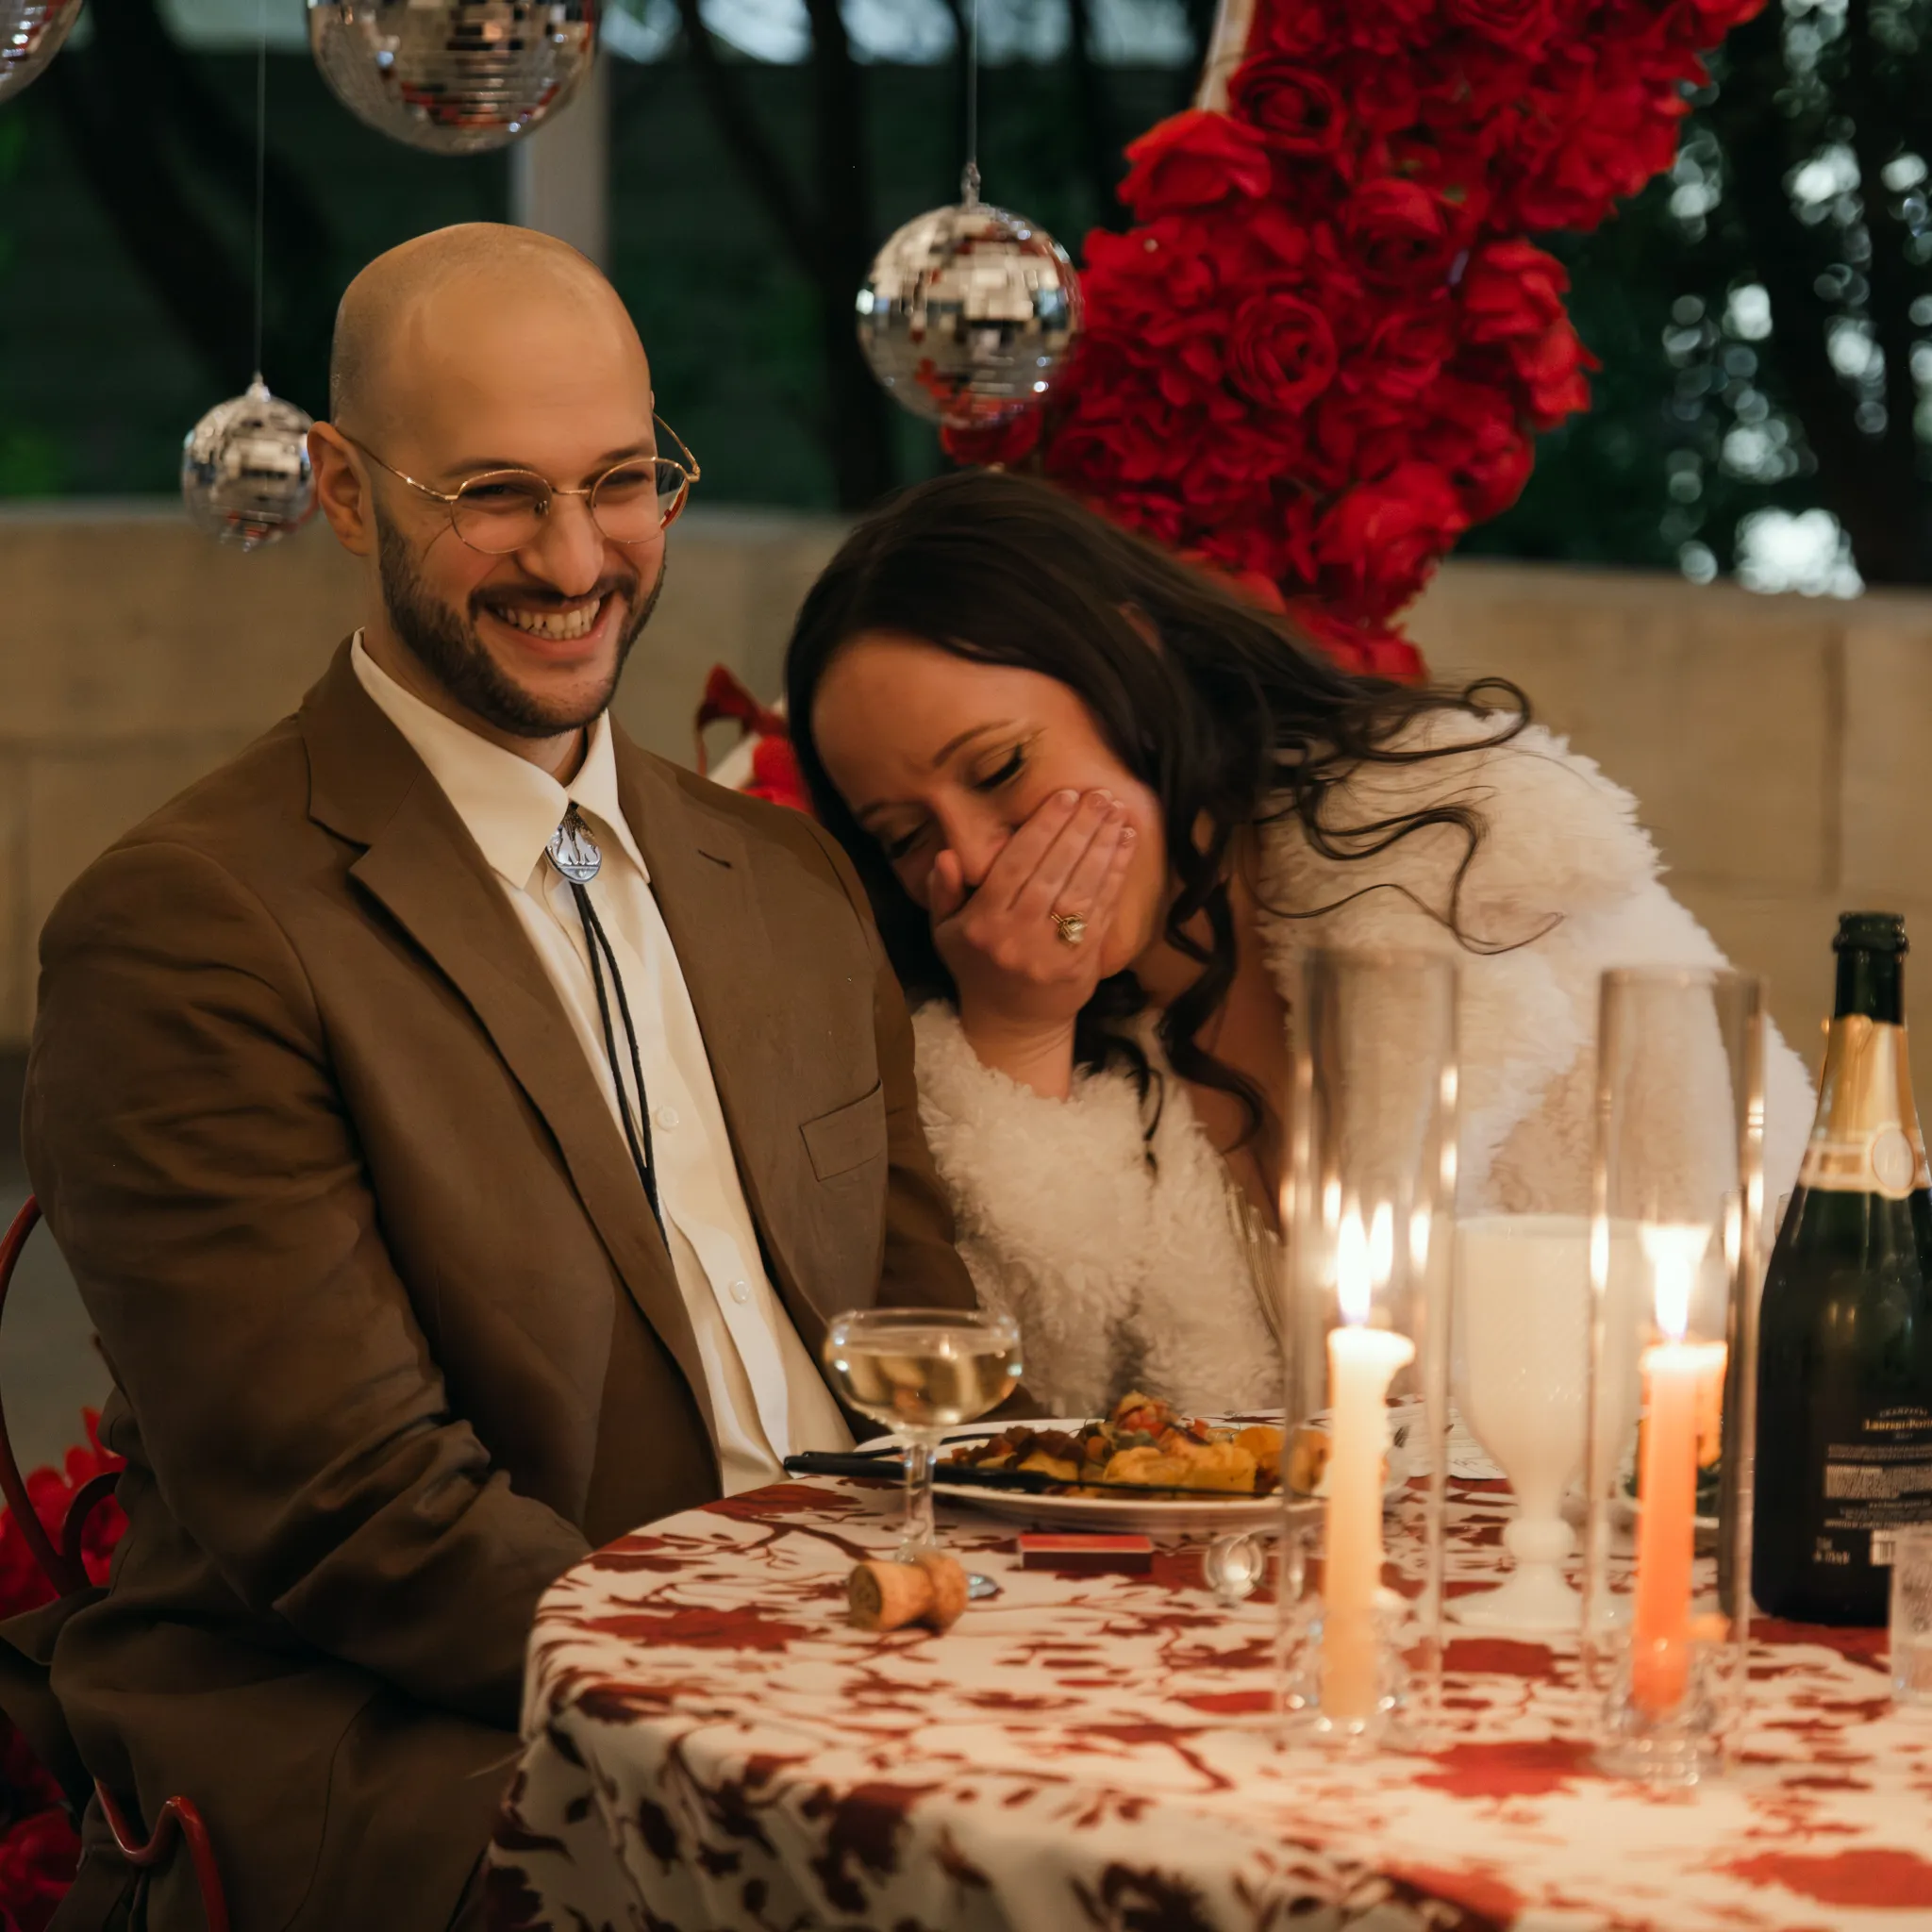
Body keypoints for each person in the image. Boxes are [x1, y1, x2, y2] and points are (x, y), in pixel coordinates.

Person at [9, 225, 974, 1932]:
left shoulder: (787, 880)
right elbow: (350, 1512)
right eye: (493, 493)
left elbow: (923, 1361)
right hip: (423, 1740)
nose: (575, 554)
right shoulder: (190, 927)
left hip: (865, 1658)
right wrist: (772, 1671)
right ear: (346, 489)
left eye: (620, 481)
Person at [784, 470, 1812, 1415]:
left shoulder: (1495, 869)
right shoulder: (951, 1049)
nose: (969, 860)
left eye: (999, 767)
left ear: (1127, 666)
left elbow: (1758, 1281)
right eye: (906, 837)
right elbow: (1018, 1439)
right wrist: (1016, 1038)